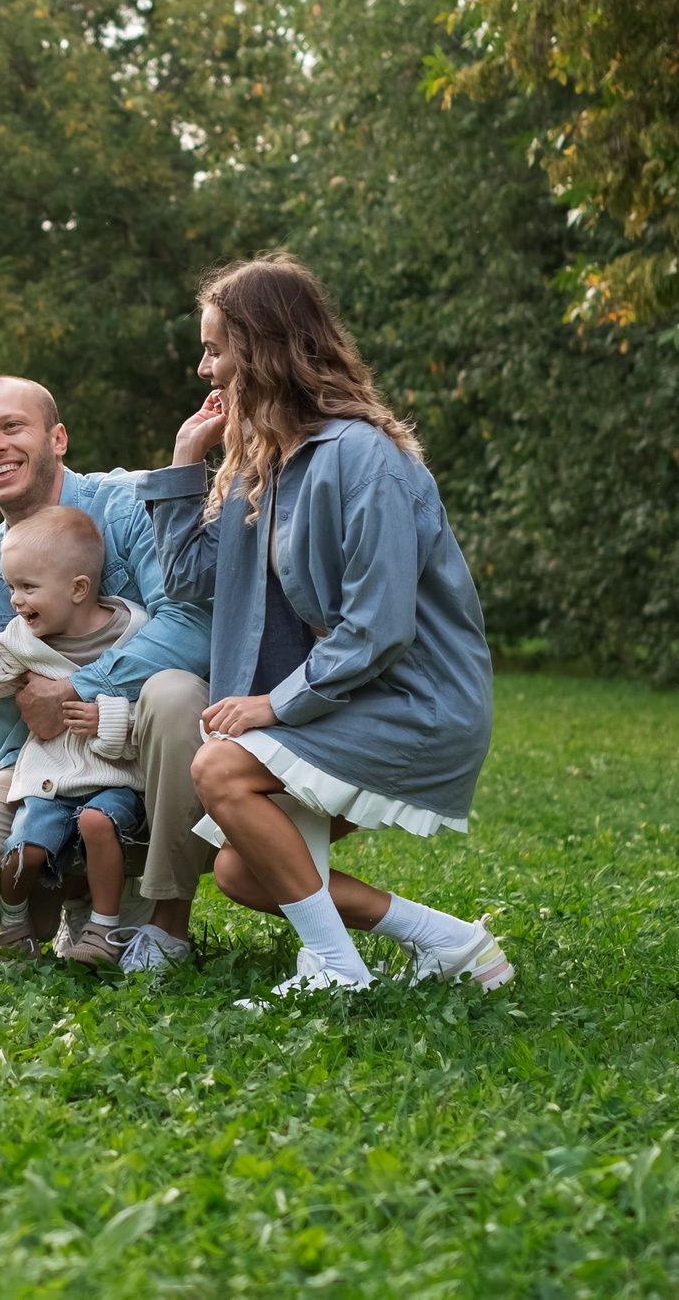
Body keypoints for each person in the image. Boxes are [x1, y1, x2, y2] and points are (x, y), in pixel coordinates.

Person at [132, 255, 513, 996]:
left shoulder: (365, 458)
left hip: (412, 700)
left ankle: (335, 969)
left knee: (217, 767)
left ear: (262, 347)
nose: (203, 366)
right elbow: (190, 581)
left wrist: (272, 706)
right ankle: (456, 943)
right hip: (342, 697)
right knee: (245, 871)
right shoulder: (262, 462)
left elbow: (379, 627)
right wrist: (183, 464)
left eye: (215, 348)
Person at [0, 376, 212, 973]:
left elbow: (194, 624)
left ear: (58, 438)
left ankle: (164, 921)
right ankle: (76, 895)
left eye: (11, 427)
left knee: (175, 689)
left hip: (154, 762)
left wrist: (83, 687)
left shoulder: (128, 507)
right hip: (51, 773)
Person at [0, 506, 148, 967]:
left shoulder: (136, 633)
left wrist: (107, 720)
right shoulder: (24, 639)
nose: (15, 600)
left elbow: (156, 709)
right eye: (10, 587)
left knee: (99, 825)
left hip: (117, 777)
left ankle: (102, 930)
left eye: (27, 587)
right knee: (24, 851)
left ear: (79, 588)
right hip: (51, 779)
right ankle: (16, 920)